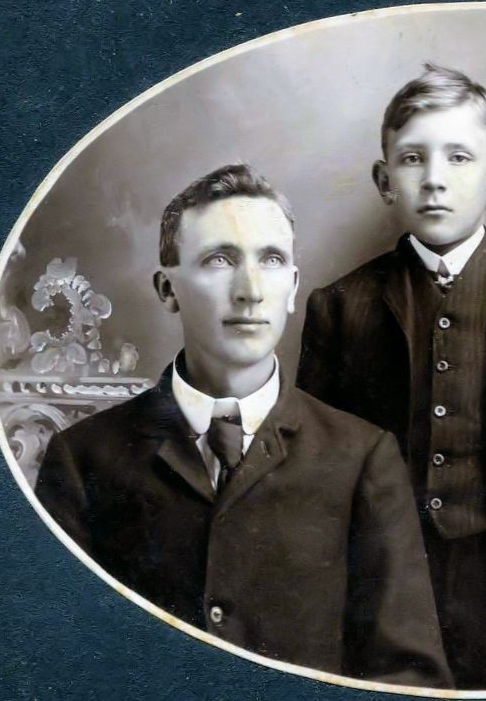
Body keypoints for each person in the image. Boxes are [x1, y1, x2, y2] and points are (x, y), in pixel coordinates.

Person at [35, 164, 451, 687]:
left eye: (272, 260)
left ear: (294, 286)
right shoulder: (83, 458)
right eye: (219, 260)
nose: (250, 290)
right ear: (168, 289)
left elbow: (411, 676)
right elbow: (53, 660)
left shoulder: (361, 456)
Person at [296, 64, 486, 688]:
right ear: (385, 180)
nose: (434, 180)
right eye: (412, 159)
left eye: (459, 158)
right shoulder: (339, 307)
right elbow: (314, 478)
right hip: (382, 591)